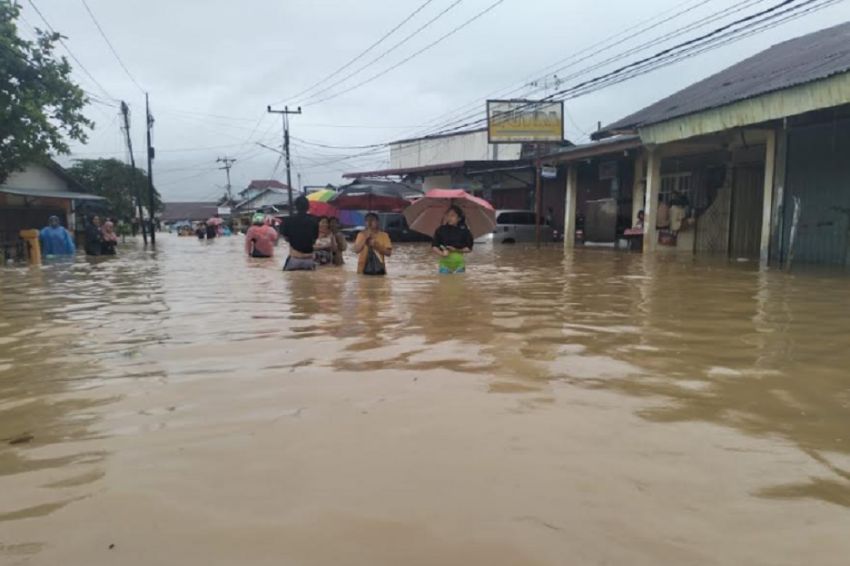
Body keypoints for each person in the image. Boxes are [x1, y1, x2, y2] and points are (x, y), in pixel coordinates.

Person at [431, 205, 473, 274]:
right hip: (444, 265)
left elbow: (469, 248)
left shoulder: (465, 231)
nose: (449, 218)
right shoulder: (440, 230)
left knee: (459, 284)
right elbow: (434, 246)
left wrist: (456, 250)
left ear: (459, 218)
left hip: (459, 265)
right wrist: (442, 253)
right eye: (448, 215)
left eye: (452, 216)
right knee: (445, 284)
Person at [282, 196, 319, 271]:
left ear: (295, 207)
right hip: (309, 260)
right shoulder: (314, 220)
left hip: (294, 259)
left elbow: (286, 238)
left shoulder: (288, 221)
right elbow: (315, 238)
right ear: (308, 207)